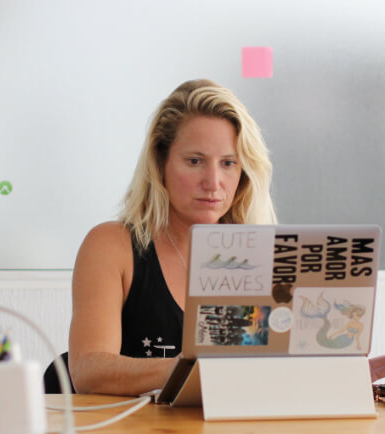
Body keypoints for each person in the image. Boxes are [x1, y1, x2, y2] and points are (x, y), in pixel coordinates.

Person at [68, 79, 277, 395]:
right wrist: (189, 369)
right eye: (195, 161)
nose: (213, 182)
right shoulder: (112, 246)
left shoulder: (257, 254)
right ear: (160, 163)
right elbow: (88, 371)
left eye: (228, 163)